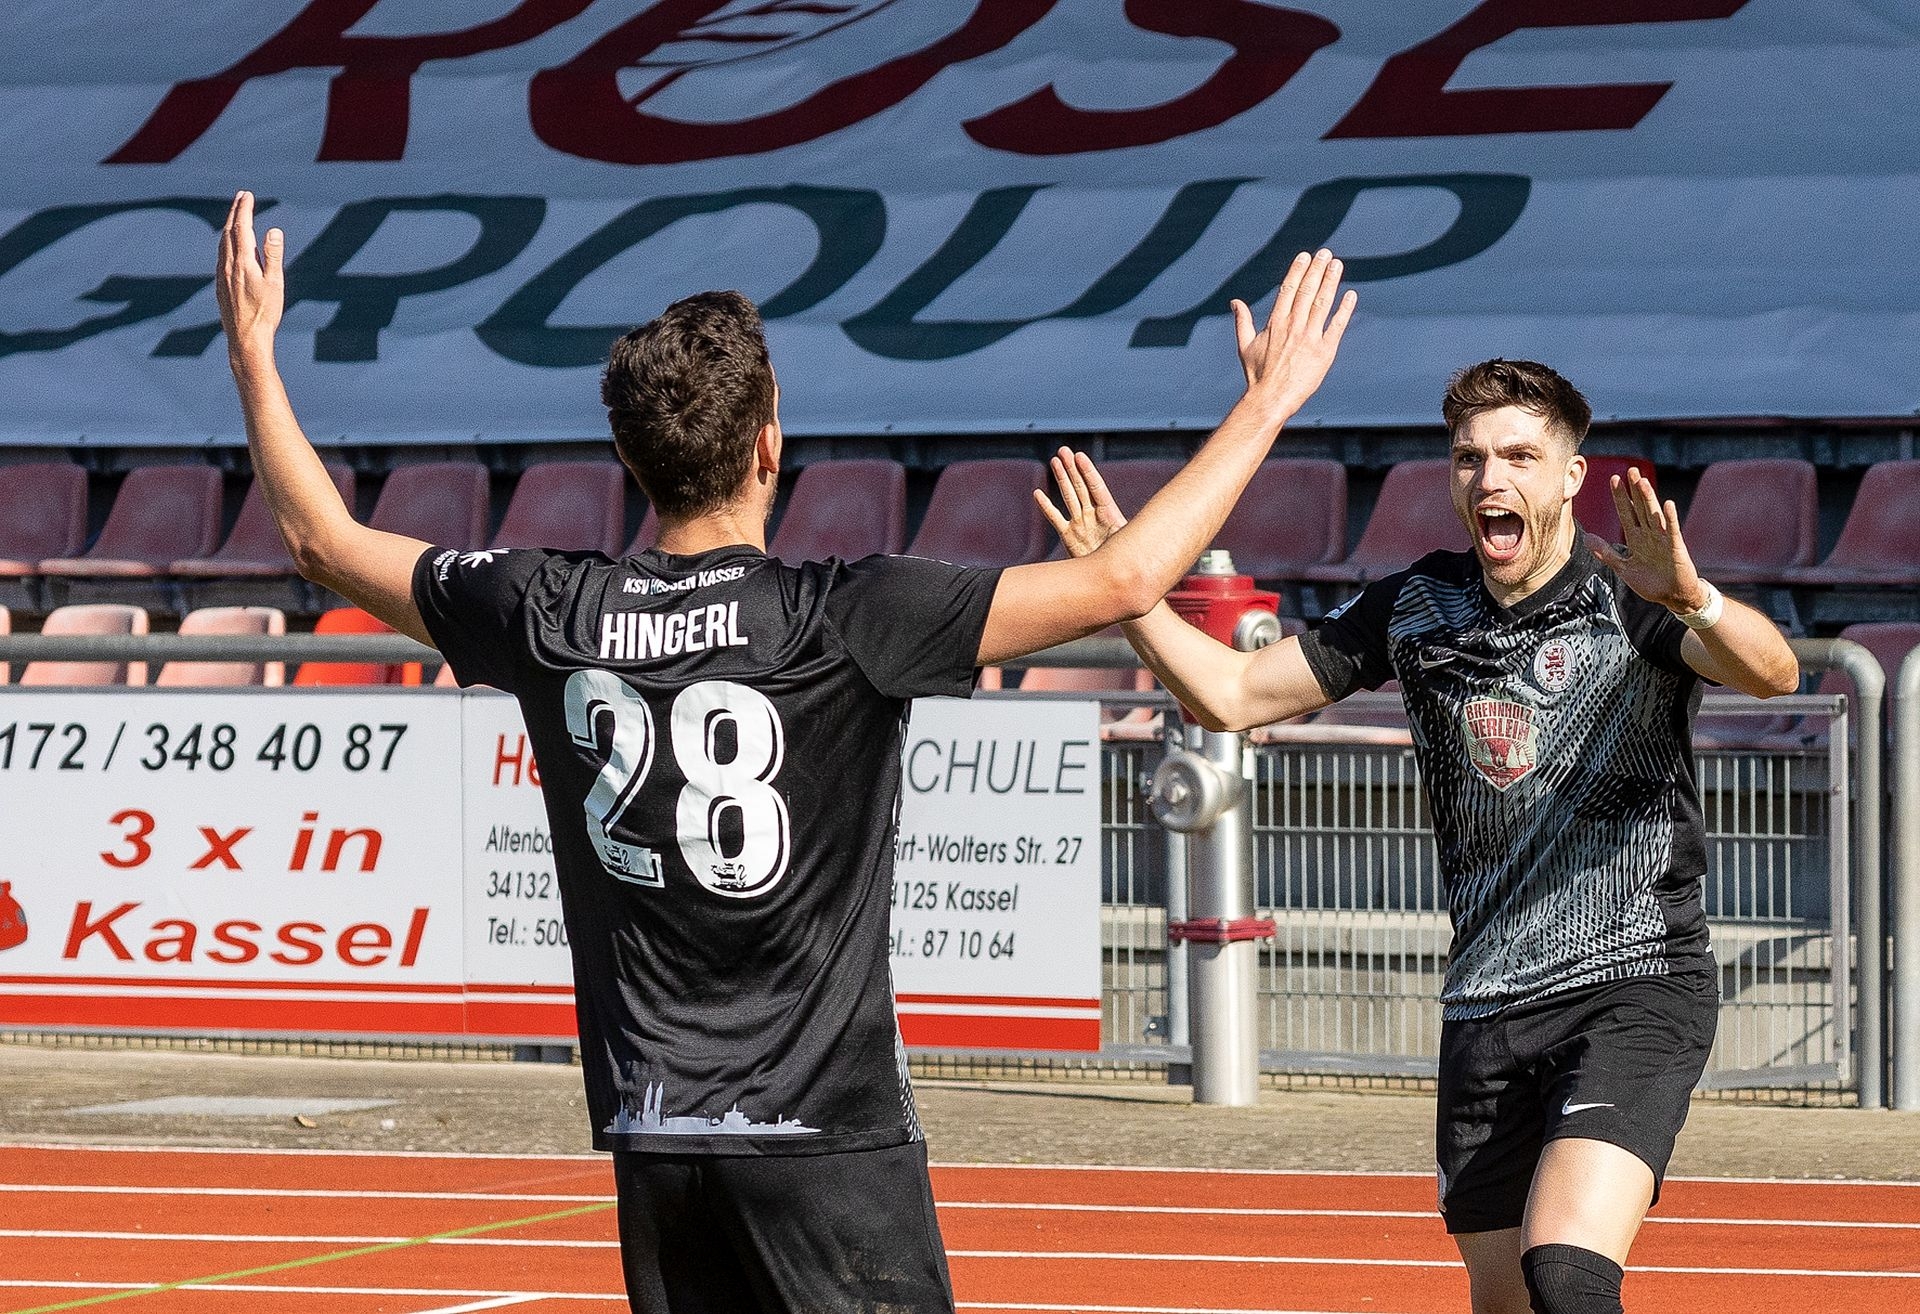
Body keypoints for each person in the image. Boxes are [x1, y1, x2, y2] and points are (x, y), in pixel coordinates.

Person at [212, 189, 1356, 1313]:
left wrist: (256, 357)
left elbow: (321, 541)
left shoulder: (546, 608)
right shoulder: (844, 613)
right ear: (769, 442)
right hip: (827, 1140)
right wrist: (1269, 402)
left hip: (658, 1139)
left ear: (629, 455)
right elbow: (1127, 580)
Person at [1039, 358, 1798, 1314]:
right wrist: (1127, 593)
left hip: (1633, 985)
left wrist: (1695, 599)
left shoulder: (1635, 591)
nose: (1491, 479)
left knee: (1567, 1271)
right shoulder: (1415, 605)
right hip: (1486, 1003)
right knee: (1506, 1300)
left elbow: (1774, 675)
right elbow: (1231, 693)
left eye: (1519, 457)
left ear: (1571, 476)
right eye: (1470, 458)